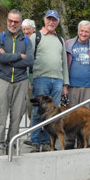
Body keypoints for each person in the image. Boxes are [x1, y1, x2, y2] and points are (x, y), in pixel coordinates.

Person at [0, 9, 34, 156]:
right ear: (7, 21)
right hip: (3, 80)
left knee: (17, 116)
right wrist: (18, 56)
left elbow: (29, 61)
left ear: (20, 23)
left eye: (16, 21)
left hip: (21, 81)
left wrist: (9, 59)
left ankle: (12, 144)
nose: (12, 24)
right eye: (10, 20)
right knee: (1, 115)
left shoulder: (26, 40)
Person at [30, 10, 69, 152]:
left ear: (58, 22)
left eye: (54, 20)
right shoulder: (36, 36)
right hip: (41, 79)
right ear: (44, 19)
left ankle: (47, 142)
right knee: (37, 112)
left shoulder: (60, 39)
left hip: (57, 81)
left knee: (53, 115)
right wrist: (30, 79)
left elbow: (64, 62)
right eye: (49, 19)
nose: (51, 22)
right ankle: (35, 141)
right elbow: (29, 59)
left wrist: (65, 83)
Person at [64, 20, 90, 149]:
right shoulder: (69, 44)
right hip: (72, 86)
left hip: (87, 86)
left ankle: (83, 141)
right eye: (82, 31)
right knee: (70, 116)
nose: (84, 33)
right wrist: (64, 85)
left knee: (84, 117)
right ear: (78, 31)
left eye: (87, 32)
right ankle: (69, 141)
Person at [22, 19, 37, 126]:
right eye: (24, 29)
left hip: (39, 78)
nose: (26, 32)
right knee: (29, 106)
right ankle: (33, 130)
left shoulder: (39, 40)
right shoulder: (22, 43)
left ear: (34, 30)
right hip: (27, 80)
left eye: (28, 29)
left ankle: (35, 132)